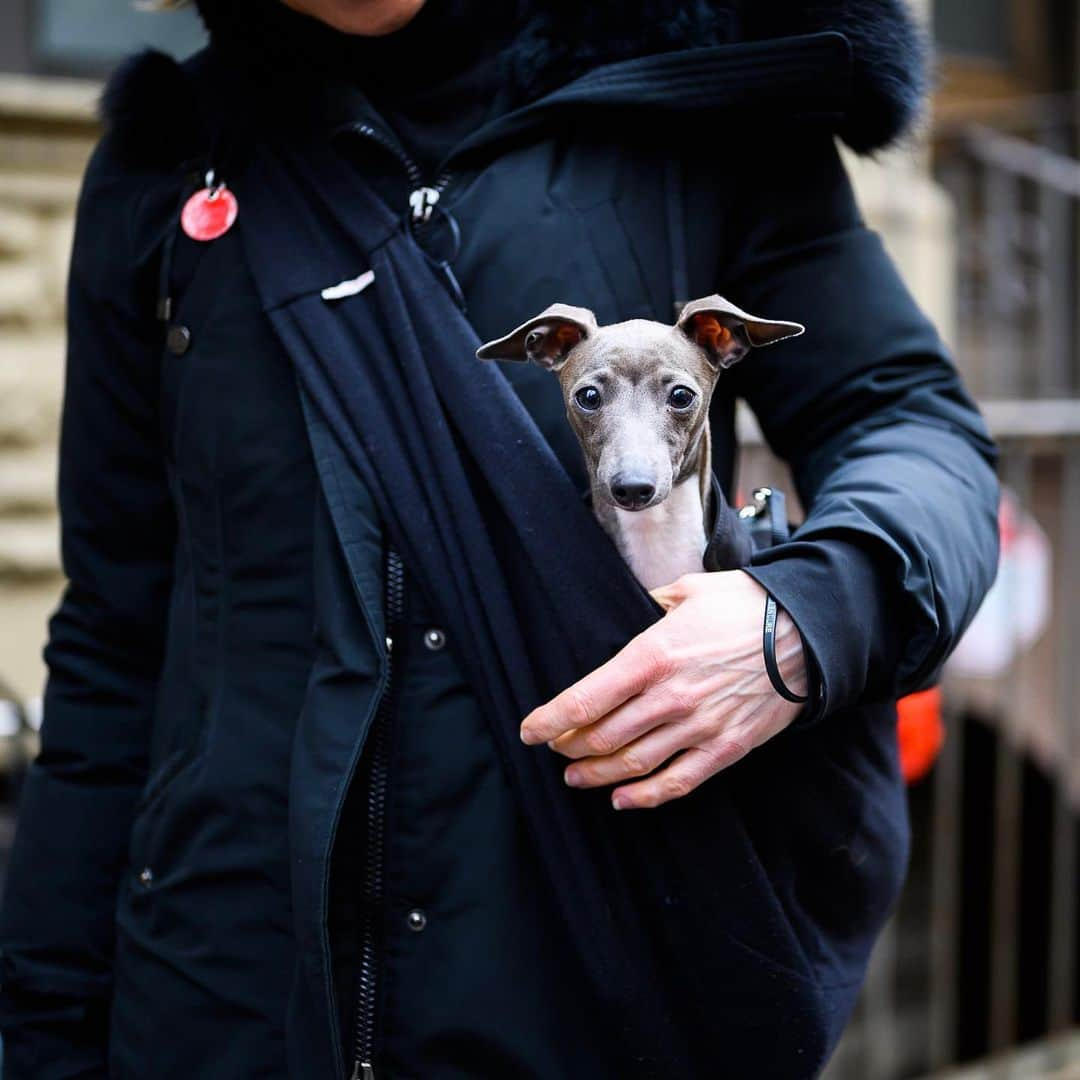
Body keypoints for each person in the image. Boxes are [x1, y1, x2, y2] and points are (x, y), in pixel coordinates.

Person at [0, 2, 1000, 1077]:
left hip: (590, 1004)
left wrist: (799, 621)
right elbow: (112, 641)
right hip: (215, 1010)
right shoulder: (166, 160)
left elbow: (910, 429)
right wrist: (41, 1034)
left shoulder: (708, 111)